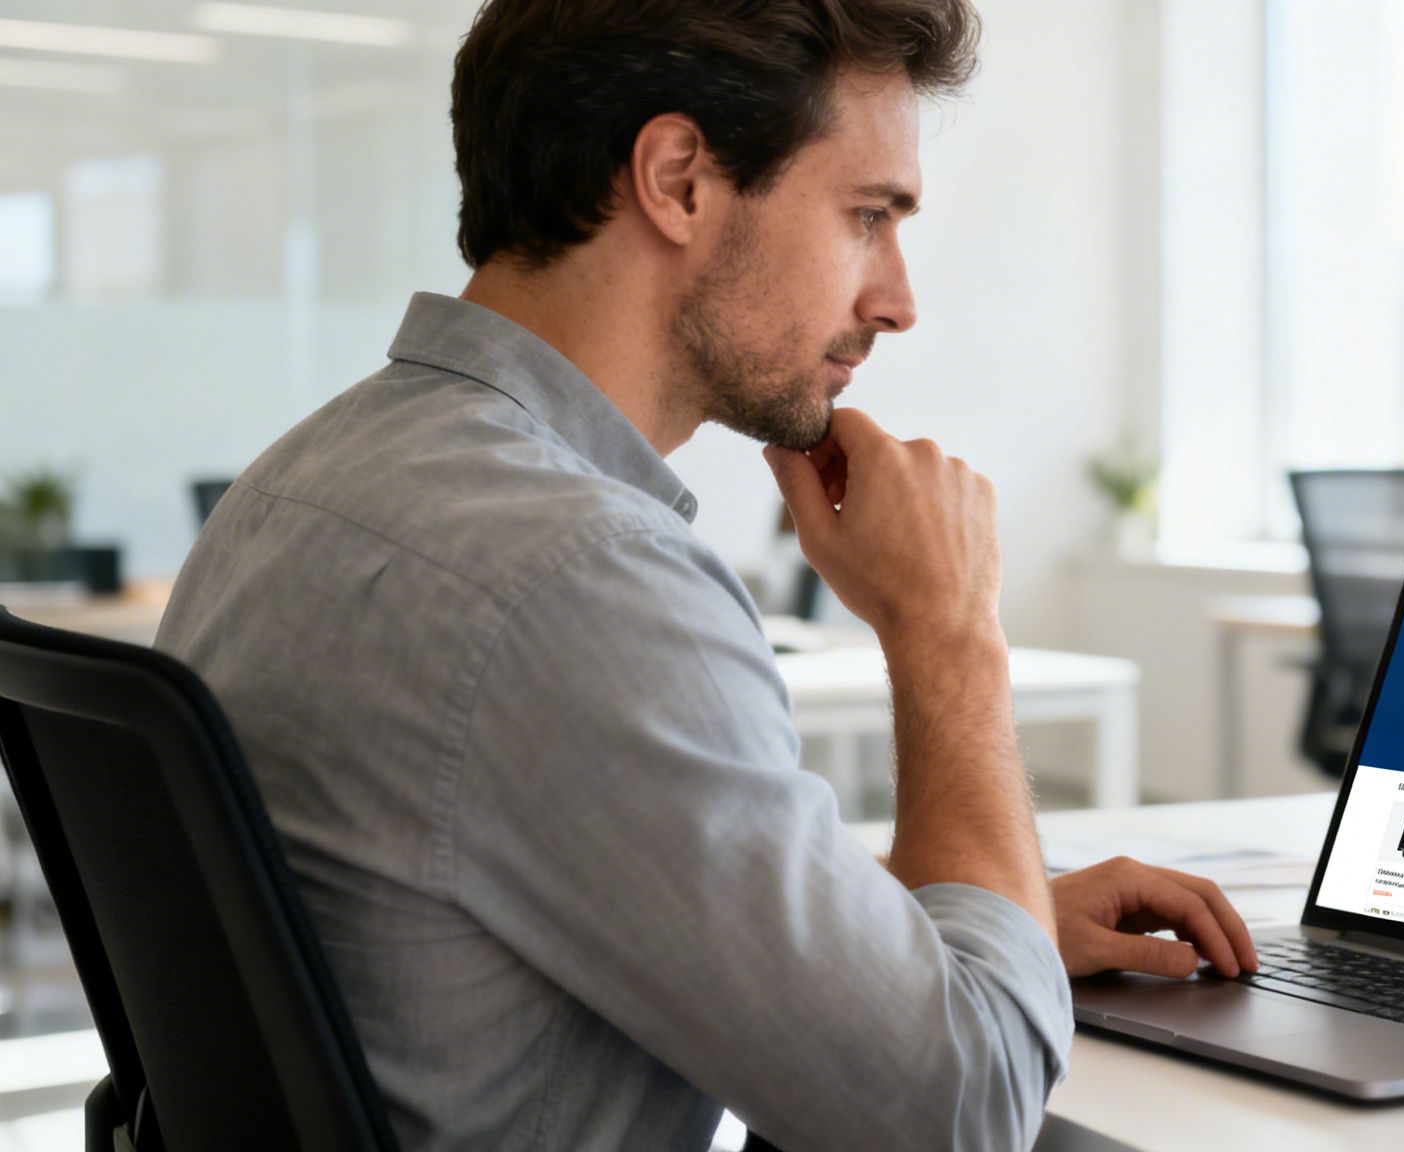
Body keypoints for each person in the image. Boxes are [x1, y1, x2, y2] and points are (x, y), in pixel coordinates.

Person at [155, 1, 1257, 1148]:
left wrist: (918, 933)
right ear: (678, 179)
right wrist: (948, 630)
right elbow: (956, 1113)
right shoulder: (583, 574)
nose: (896, 298)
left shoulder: (292, 488)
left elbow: (505, 873)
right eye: (866, 216)